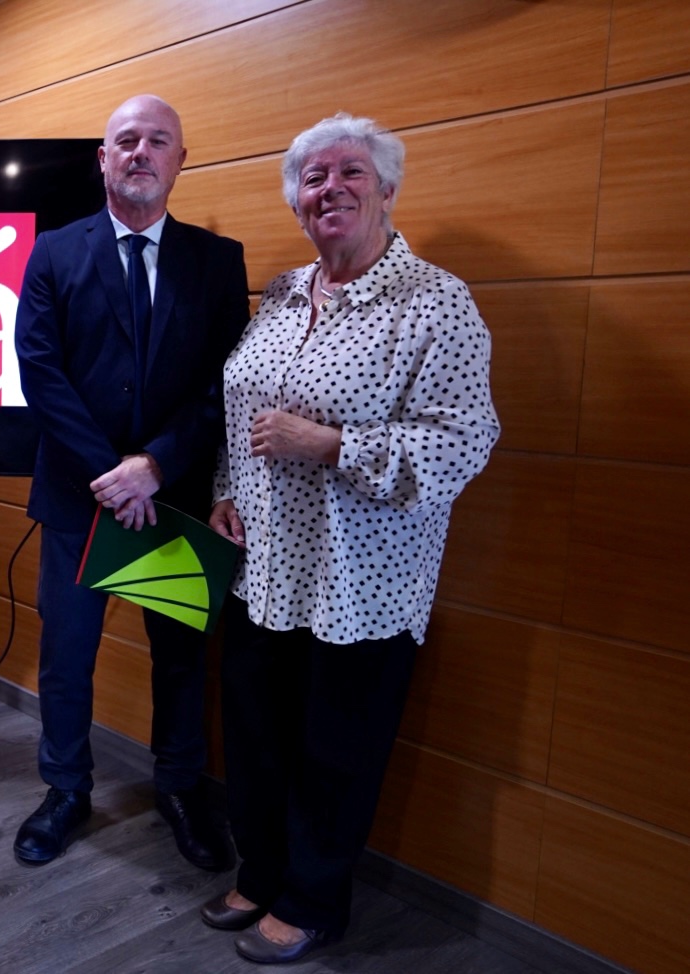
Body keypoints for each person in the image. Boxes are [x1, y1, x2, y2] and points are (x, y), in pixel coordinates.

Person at [202, 113, 499, 964]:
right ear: (297, 202)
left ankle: (314, 901)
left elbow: (463, 441)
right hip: (262, 568)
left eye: (350, 174)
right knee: (256, 735)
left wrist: (330, 445)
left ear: (388, 190)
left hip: (361, 580)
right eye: (312, 178)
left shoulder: (437, 302)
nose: (328, 188)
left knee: (336, 750)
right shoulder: (285, 291)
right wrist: (228, 491)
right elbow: (240, 409)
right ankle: (259, 874)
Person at [13, 95, 250, 868]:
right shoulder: (52, 252)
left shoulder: (218, 261)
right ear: (103, 159)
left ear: (181, 160)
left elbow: (226, 381)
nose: (141, 151)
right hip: (80, 501)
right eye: (126, 141)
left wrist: (154, 466)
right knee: (66, 657)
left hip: (172, 500)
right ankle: (66, 790)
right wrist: (111, 476)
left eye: (158, 141)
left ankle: (180, 790)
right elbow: (41, 373)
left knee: (180, 658)